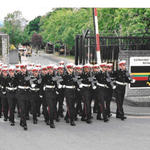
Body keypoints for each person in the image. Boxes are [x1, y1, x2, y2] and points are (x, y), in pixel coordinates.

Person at [17, 63, 30, 130]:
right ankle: (25, 124)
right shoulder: (18, 75)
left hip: (27, 93)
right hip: (20, 93)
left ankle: (21, 121)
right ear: (20, 69)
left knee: (25, 108)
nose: (23, 70)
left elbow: (31, 83)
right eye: (22, 68)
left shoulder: (29, 75)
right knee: (22, 108)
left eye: (24, 68)